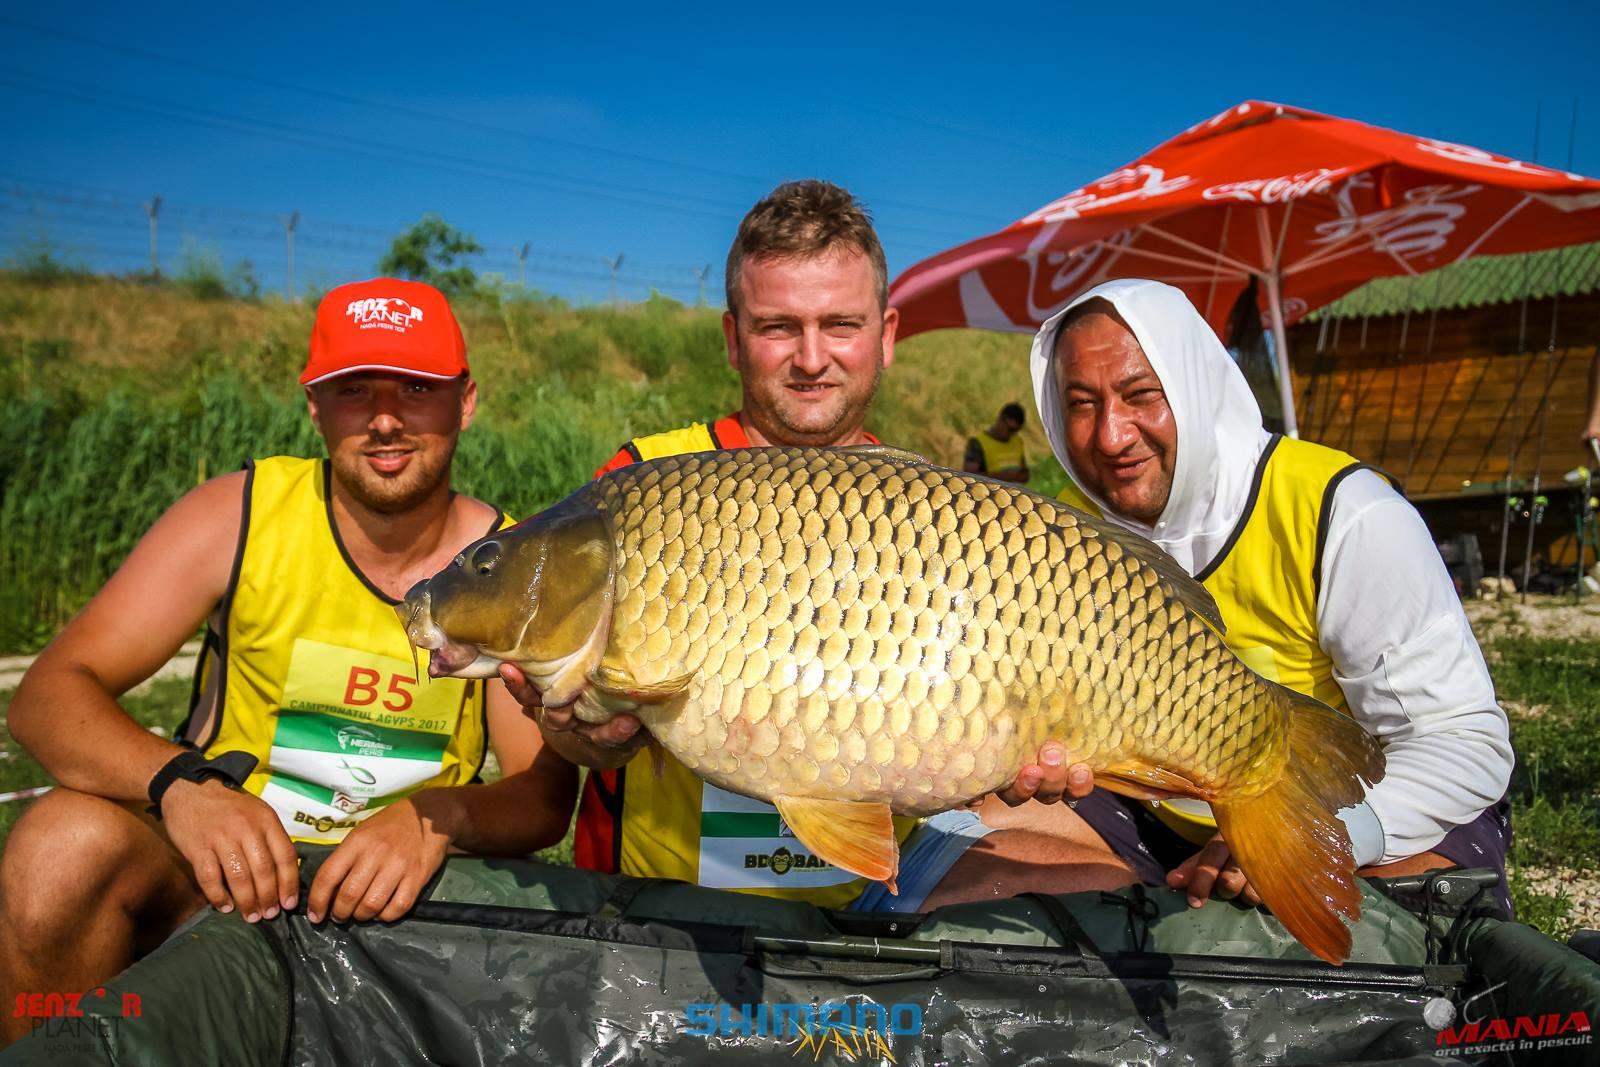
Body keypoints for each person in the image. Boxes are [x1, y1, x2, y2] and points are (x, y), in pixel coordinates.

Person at [0, 279, 574, 1043]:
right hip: (216, 881)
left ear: (465, 402)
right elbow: (46, 694)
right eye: (353, 390)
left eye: (416, 388)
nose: (384, 418)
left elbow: (543, 791)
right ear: (314, 407)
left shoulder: (509, 558)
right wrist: (182, 784)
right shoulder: (235, 513)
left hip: (407, 900)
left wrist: (440, 815)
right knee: (58, 846)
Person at [503, 180, 1091, 913]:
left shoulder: (946, 518)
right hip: (661, 905)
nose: (812, 358)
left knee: (1084, 854)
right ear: (732, 337)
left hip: (869, 902)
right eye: (779, 326)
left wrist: (1014, 750)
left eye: (840, 324)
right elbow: (583, 744)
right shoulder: (641, 484)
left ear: (886, 334)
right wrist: (588, 732)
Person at [961, 278, 1516, 913]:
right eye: (1081, 404)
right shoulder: (1057, 536)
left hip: (1373, 813)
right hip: (1159, 816)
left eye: (1142, 395)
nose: (1111, 436)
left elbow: (1466, 741)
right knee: (963, 875)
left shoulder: (1343, 510)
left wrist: (1323, 837)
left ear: (1197, 386)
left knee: (1372, 943)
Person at [963, 402, 1030, 483]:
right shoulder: (978, 443)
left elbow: (1025, 474)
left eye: (1016, 430)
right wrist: (1003, 476)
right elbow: (970, 477)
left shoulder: (1017, 441)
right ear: (1000, 420)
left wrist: (1021, 476)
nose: (1012, 434)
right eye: (1010, 429)